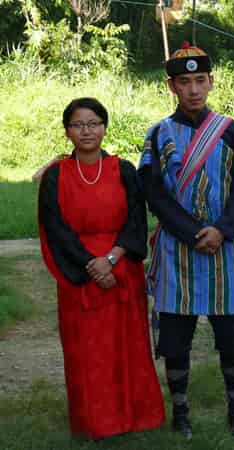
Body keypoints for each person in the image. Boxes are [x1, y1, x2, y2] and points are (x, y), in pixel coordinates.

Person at [137, 42, 234, 440]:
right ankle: (181, 412)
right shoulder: (158, 134)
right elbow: (153, 193)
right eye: (184, 82)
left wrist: (222, 229)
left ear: (211, 81)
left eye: (200, 80)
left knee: (231, 338)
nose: (193, 90)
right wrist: (191, 232)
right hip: (176, 251)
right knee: (175, 339)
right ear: (171, 86)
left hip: (224, 247)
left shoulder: (231, 130)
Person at [38, 97, 165, 440]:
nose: (87, 131)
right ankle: (95, 422)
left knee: (128, 349)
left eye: (94, 123)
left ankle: (138, 417)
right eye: (78, 125)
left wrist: (111, 259)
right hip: (79, 274)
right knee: (87, 354)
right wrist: (91, 266)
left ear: (105, 127)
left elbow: (136, 218)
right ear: (67, 132)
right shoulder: (55, 175)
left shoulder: (122, 169)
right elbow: (56, 228)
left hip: (121, 267)